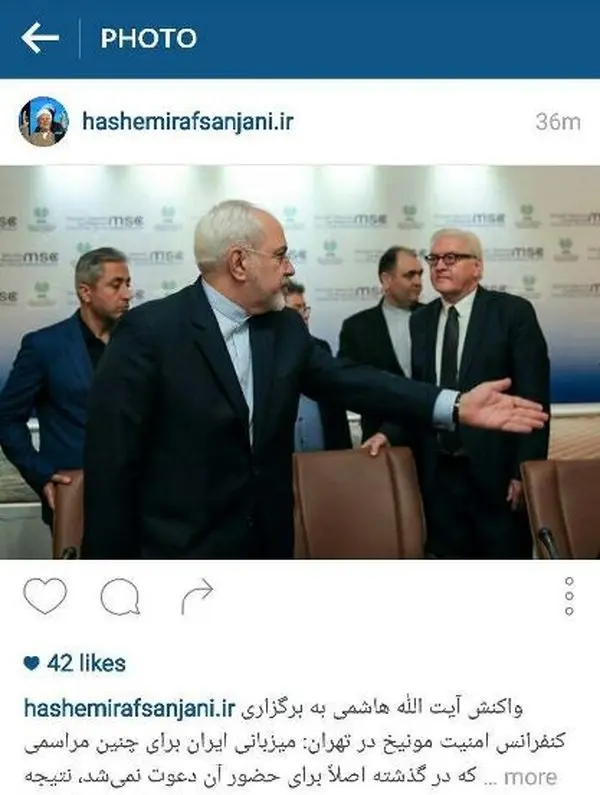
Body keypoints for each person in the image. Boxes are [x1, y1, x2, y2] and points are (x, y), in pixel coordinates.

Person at [81, 200, 548, 561]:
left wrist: (454, 405)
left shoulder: (283, 328)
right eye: (280, 256)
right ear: (240, 263)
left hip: (267, 551)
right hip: (178, 557)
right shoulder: (150, 333)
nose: (290, 268)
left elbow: (355, 381)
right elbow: (111, 467)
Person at [366, 228, 551, 559]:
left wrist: (524, 471)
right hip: (439, 475)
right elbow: (421, 393)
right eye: (434, 259)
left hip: (496, 476)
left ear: (477, 267)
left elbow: (533, 400)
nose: (439, 266)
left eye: (451, 258)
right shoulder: (421, 320)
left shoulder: (512, 313)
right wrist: (388, 433)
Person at [0, 247, 132, 528]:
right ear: (86, 292)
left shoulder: (140, 342)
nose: (127, 294)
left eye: (128, 284)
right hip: (76, 498)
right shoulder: (44, 346)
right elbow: (7, 418)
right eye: (116, 285)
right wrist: (41, 474)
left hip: (138, 499)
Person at [338, 246, 425, 444]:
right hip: (380, 442)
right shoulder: (357, 328)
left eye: (420, 274)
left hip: (433, 443)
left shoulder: (436, 319)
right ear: (386, 280)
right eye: (409, 275)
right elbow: (349, 386)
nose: (418, 282)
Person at [284, 281, 352, 451]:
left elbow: (336, 410)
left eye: (305, 308)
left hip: (324, 457)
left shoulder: (320, 349)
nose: (305, 315)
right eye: (297, 309)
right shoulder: (264, 353)